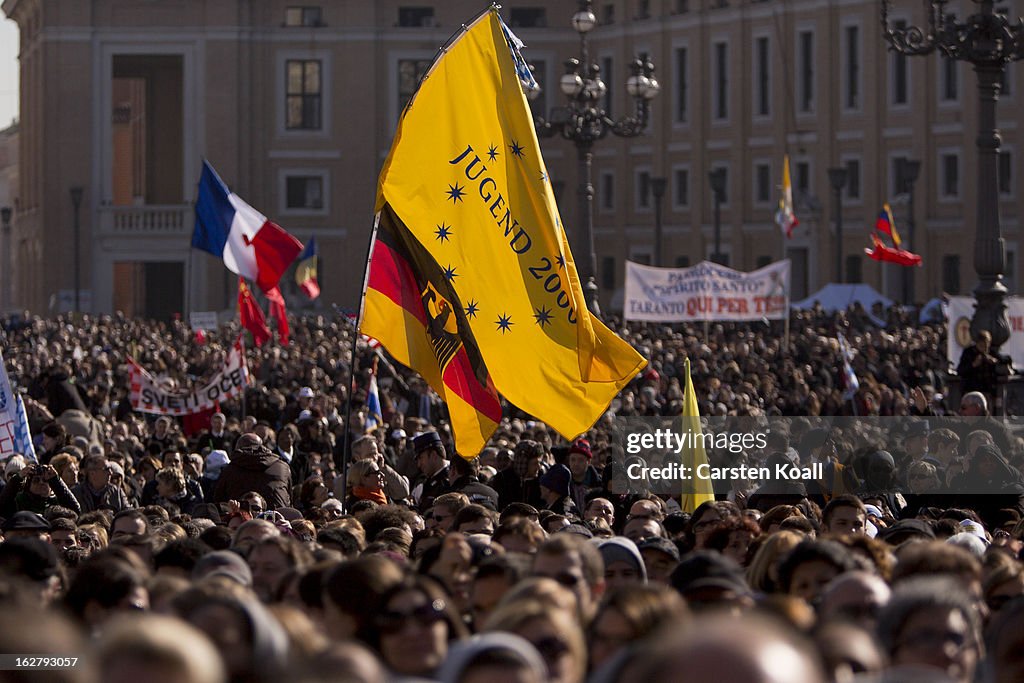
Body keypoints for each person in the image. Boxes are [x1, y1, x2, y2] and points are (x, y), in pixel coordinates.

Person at [213, 434, 292, 510]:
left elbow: (219, 502)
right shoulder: (282, 467)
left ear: (237, 448)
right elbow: (289, 498)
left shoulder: (229, 470)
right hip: (278, 518)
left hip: (241, 520)